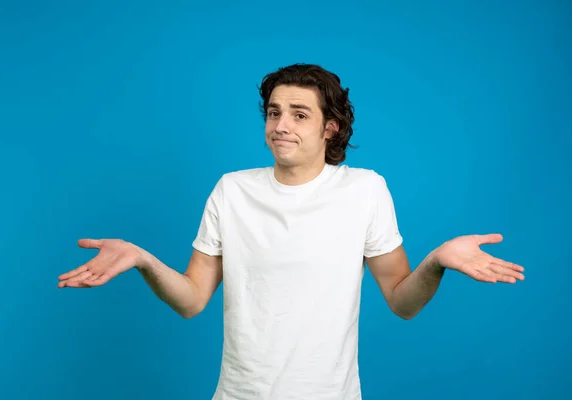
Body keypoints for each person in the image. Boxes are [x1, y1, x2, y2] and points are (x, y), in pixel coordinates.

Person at [57, 63, 524, 399]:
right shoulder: (232, 190)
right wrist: (142, 259)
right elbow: (192, 299)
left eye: (300, 114)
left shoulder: (364, 189)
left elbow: (402, 302)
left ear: (330, 128)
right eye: (274, 111)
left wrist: (438, 259)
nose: (281, 125)